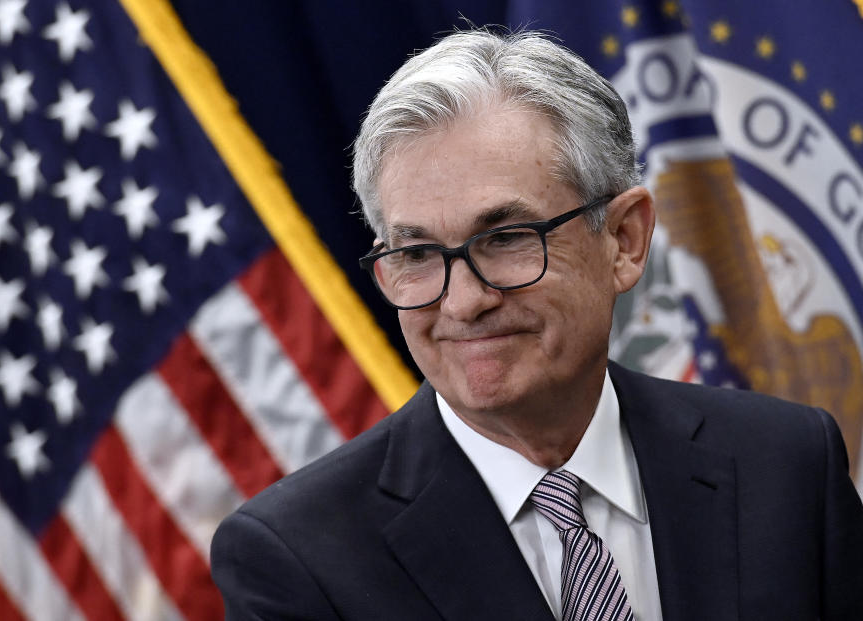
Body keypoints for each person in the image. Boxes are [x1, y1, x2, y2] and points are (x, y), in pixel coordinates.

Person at [210, 29, 863, 620]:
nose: (462, 302)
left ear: (625, 241)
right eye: (416, 255)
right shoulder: (296, 558)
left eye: (506, 238)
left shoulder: (787, 464)